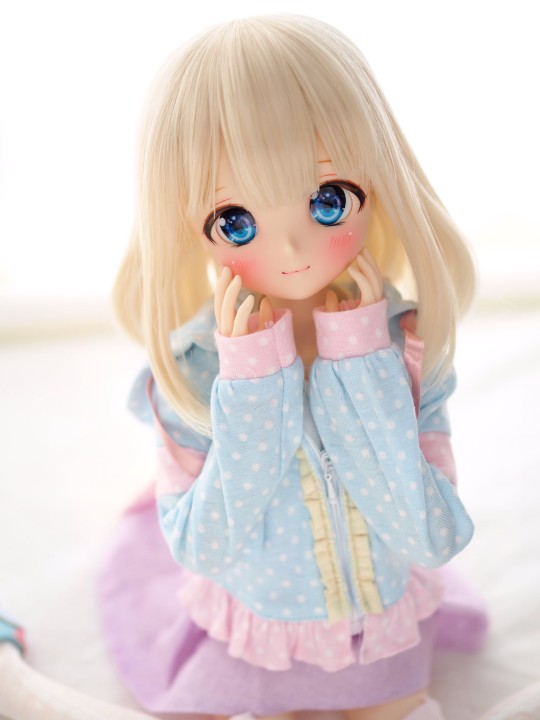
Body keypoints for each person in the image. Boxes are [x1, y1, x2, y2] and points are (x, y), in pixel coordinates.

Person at [99, 14, 487, 720]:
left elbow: (433, 537)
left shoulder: (404, 348)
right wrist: (250, 381)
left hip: (382, 641)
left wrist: (361, 365)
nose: (291, 249)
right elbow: (203, 547)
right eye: (236, 221)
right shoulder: (192, 369)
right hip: (256, 641)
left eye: (327, 200)